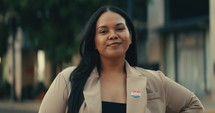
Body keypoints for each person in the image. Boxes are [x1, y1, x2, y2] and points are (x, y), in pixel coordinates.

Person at [38, 5, 204, 113]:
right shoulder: (69, 80)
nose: (113, 35)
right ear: (94, 42)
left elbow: (194, 105)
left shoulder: (154, 81)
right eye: (103, 31)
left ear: (130, 37)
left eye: (119, 28)